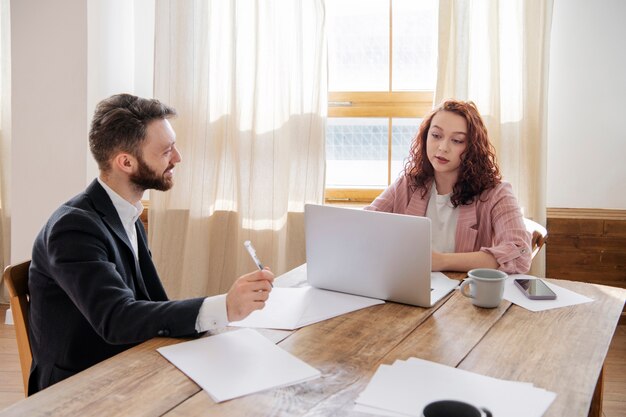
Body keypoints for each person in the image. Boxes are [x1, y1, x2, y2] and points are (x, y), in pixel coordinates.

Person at [27, 94, 274, 394]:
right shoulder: (73, 229)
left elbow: (149, 303)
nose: (178, 158)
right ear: (126, 162)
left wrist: (216, 320)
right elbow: (117, 319)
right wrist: (224, 306)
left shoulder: (126, 213)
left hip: (129, 363)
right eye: (167, 150)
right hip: (81, 389)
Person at [365, 99, 531, 274]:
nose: (443, 148)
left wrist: (441, 261)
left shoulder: (497, 193)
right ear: (425, 137)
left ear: (472, 147)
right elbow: (362, 225)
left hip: (463, 294)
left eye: (457, 140)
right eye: (436, 136)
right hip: (409, 286)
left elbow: (520, 255)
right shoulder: (408, 184)